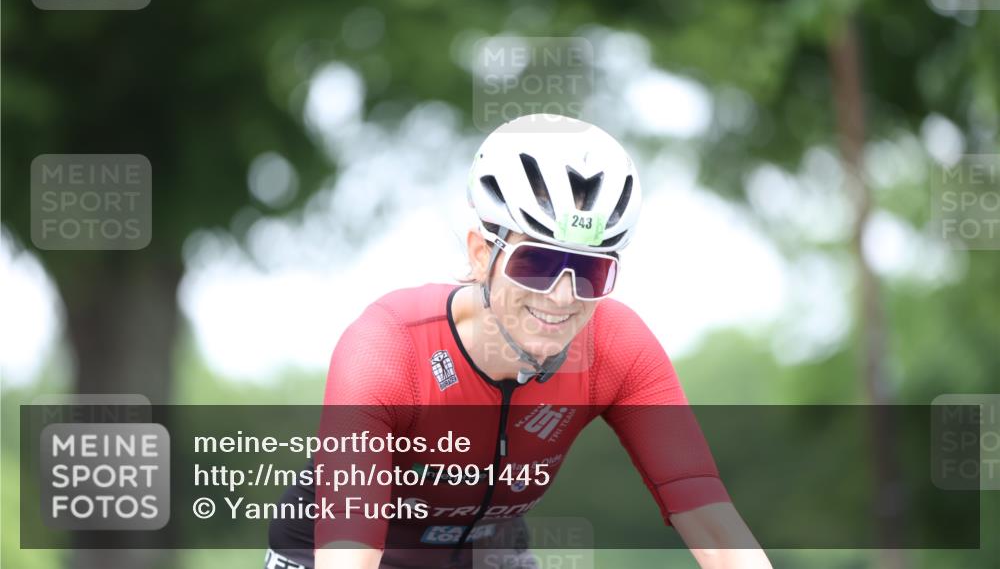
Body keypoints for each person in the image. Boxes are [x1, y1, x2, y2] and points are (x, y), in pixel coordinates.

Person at [266, 113, 773, 569]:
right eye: (537, 263)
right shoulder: (388, 350)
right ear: (481, 254)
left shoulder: (617, 348)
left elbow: (715, 529)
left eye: (591, 271)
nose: (562, 296)